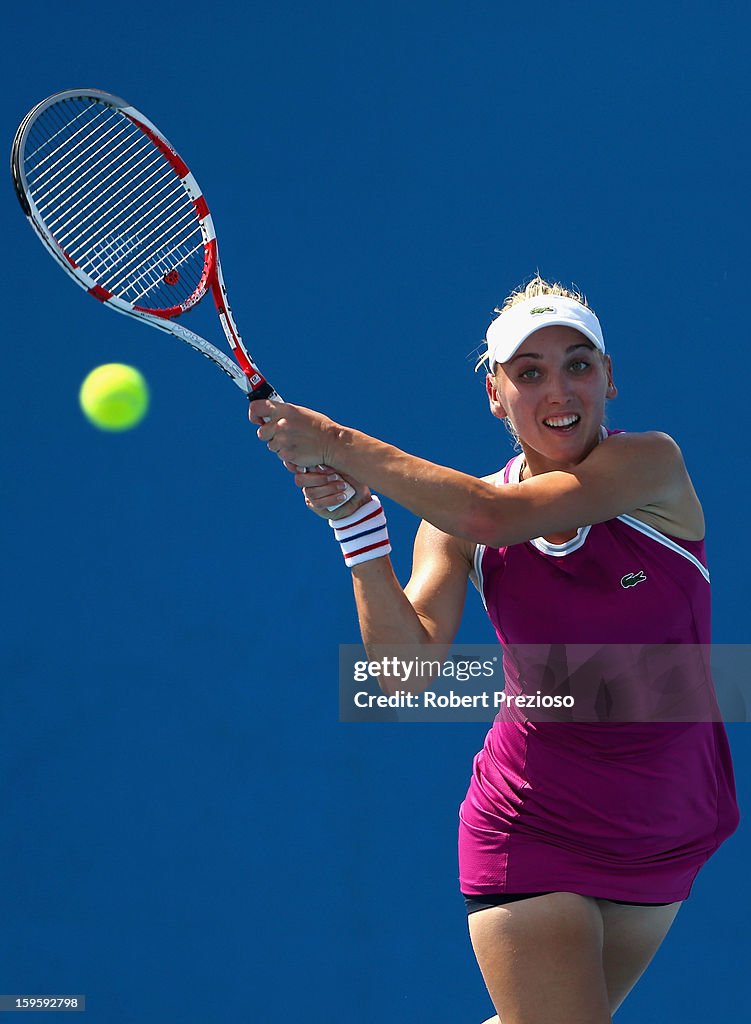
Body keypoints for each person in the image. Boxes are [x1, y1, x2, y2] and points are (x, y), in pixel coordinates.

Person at [249, 275, 740, 1024]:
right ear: (494, 393)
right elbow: (405, 679)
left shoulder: (650, 467)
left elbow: (492, 513)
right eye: (529, 371)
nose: (558, 389)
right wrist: (359, 532)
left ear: (609, 378)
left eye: (577, 364)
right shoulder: (452, 527)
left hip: (668, 823)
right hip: (532, 822)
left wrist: (335, 443)